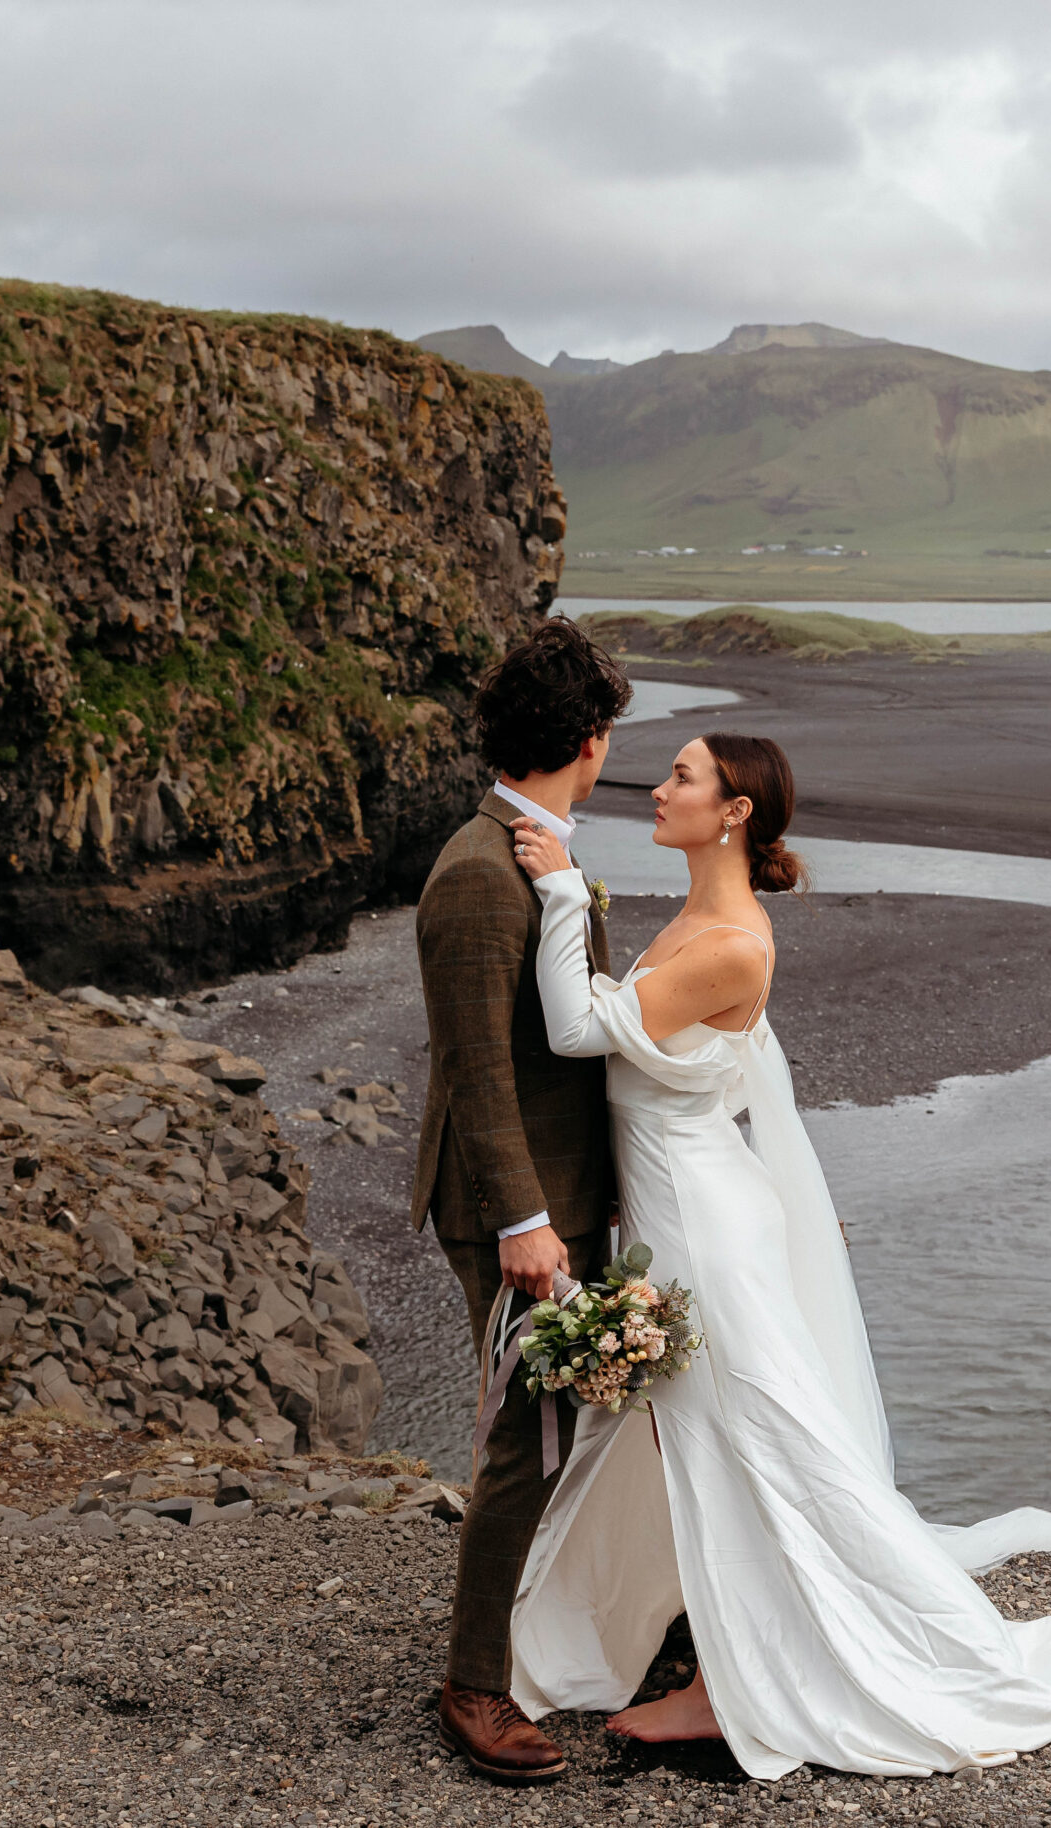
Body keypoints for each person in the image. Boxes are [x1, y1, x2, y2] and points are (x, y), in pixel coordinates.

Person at [500, 731, 1051, 1780]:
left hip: (702, 1225)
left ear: (735, 810)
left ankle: (736, 1684)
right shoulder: (699, 919)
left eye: (682, 776)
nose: (657, 789)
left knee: (744, 1437)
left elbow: (577, 1030)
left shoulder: (735, 943)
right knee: (697, 1433)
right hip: (683, 1206)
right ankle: (696, 1635)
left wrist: (565, 892)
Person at [411, 619, 630, 1784]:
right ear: (588, 740)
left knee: (557, 1432)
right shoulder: (476, 871)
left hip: (558, 1194)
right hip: (517, 1208)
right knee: (523, 1440)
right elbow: (476, 1071)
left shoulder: (529, 851)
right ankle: (474, 1685)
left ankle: (541, 1635)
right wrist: (523, 1224)